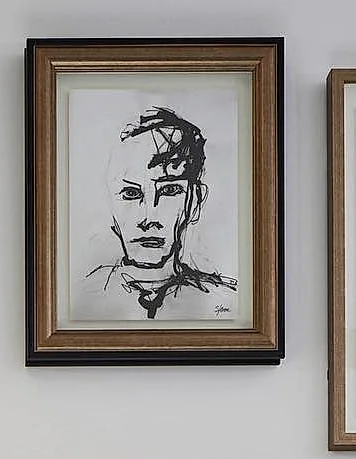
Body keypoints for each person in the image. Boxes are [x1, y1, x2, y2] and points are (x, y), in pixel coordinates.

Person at [73, 106, 237, 323]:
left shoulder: (229, 302)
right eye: (131, 193)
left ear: (194, 201)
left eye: (169, 191)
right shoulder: (78, 300)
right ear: (110, 204)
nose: (149, 218)